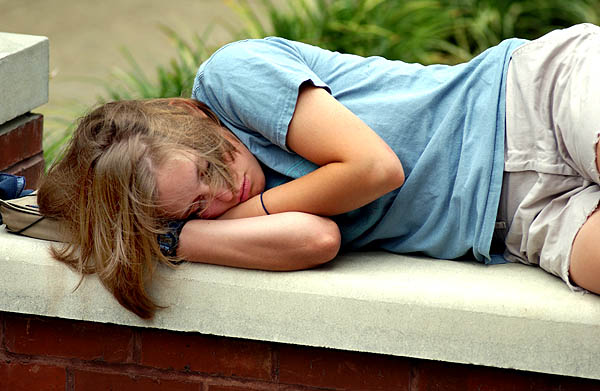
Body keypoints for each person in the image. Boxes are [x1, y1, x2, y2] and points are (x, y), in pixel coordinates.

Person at [37, 23, 600, 319]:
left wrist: (239, 214)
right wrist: (183, 238)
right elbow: (316, 237)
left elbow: (376, 168)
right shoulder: (223, 216)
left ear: (188, 115)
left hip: (530, 102)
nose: (224, 191)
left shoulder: (232, 76)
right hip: (521, 220)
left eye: (209, 166)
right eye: (192, 208)